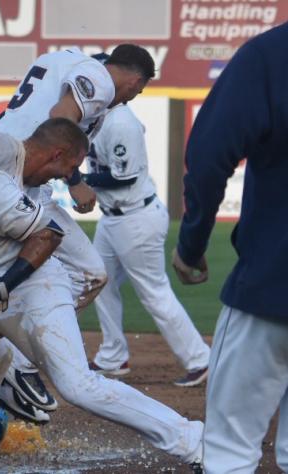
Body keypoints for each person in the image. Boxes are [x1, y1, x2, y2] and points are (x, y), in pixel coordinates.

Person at [0, 106, 205, 474]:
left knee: (77, 385)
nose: (64, 180)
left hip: (28, 287)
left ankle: (193, 442)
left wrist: (8, 288)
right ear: (57, 154)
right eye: (67, 170)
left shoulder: (23, 189)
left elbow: (51, 233)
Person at [0, 44, 155, 420]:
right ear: (133, 78)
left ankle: (9, 362)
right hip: (19, 186)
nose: (130, 98)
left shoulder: (65, 59)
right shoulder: (101, 81)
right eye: (137, 91)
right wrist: (75, 180)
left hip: (12, 174)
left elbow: (16, 116)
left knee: (79, 273)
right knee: (87, 273)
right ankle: (15, 361)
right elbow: (59, 117)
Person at [172, 22, 288, 474]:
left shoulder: (270, 54)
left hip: (271, 286)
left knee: (230, 451)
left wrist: (191, 242)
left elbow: (208, 154)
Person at [85, 102, 211, 386]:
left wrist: (80, 179)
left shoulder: (120, 122)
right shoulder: (95, 115)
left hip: (135, 218)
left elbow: (124, 176)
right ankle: (113, 356)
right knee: (97, 280)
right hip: (111, 218)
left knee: (154, 293)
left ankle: (200, 360)